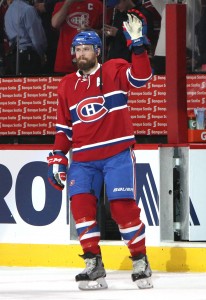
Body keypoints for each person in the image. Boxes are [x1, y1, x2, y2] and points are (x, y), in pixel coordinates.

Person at [47, 10, 153, 290]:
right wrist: (58, 158)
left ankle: (140, 259)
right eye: (77, 49)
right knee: (81, 207)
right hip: (82, 158)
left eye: (86, 49)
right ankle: (93, 264)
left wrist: (139, 48)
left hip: (117, 153)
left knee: (121, 209)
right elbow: (63, 129)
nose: (81, 54)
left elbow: (142, 79)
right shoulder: (66, 85)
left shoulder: (114, 69)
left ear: (97, 51)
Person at [51, 0, 103, 74]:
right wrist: (67, 4)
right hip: (65, 62)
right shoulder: (61, 5)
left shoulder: (97, 4)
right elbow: (55, 23)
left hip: (90, 61)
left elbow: (105, 32)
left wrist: (92, 31)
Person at [4, 0, 47, 75]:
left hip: (13, 56)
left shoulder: (8, 12)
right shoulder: (28, 9)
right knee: (31, 85)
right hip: (29, 57)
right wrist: (42, 54)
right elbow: (37, 39)